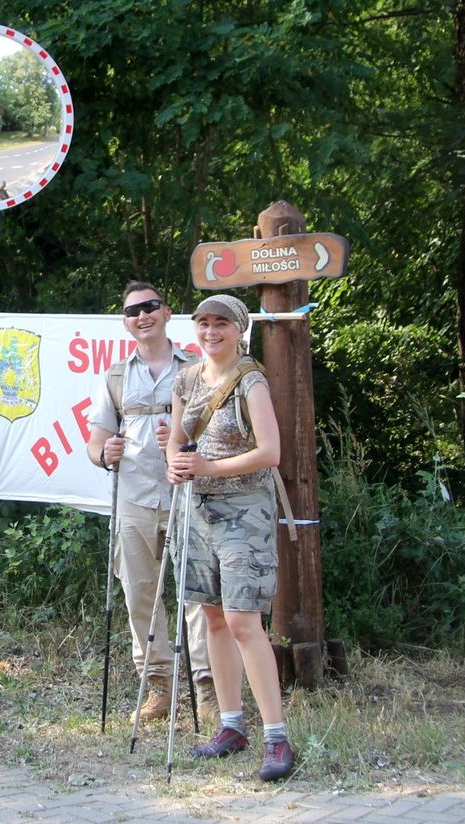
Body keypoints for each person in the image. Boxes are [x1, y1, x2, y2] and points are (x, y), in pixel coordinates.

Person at [165, 294, 294, 781]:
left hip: (245, 514)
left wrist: (209, 467)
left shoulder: (251, 380)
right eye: (203, 323)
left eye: (221, 323)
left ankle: (277, 738)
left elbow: (271, 452)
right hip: (197, 511)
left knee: (244, 621)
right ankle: (231, 727)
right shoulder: (185, 379)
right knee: (214, 619)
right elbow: (178, 440)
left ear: (239, 330)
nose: (210, 331)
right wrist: (175, 465)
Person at [86, 282, 217, 725]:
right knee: (140, 594)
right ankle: (157, 686)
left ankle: (208, 689)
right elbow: (96, 440)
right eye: (133, 311)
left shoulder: (200, 368)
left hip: (190, 497)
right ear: (126, 323)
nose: (142, 316)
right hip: (135, 499)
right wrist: (105, 455)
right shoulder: (116, 376)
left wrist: (185, 440)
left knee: (198, 594)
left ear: (166, 313)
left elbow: (221, 433)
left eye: (150, 307)